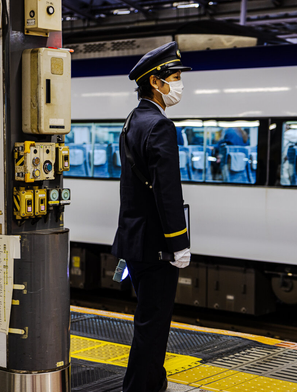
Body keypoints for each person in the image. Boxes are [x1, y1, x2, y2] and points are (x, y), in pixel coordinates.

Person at [112, 41, 192, 392]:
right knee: (153, 325)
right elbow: (166, 190)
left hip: (134, 240)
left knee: (147, 322)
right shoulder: (160, 126)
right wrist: (179, 242)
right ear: (156, 83)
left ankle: (151, 382)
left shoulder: (133, 120)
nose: (179, 84)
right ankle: (141, 388)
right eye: (174, 77)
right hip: (157, 245)